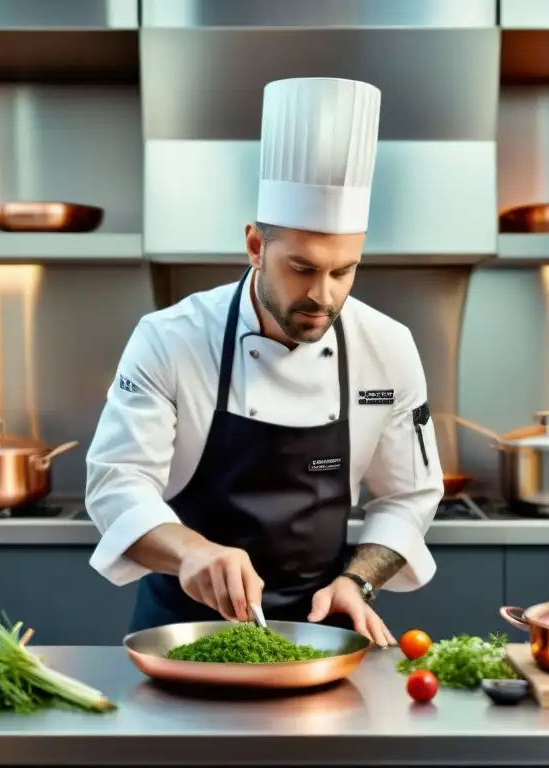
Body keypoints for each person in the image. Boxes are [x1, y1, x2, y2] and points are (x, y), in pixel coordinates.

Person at [86, 77, 443, 648]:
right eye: (301, 267)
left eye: (343, 270)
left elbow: (409, 496)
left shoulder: (388, 346)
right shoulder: (170, 339)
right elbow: (116, 482)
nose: (324, 296)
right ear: (255, 246)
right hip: (181, 627)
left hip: (325, 631)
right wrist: (193, 552)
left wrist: (360, 580)